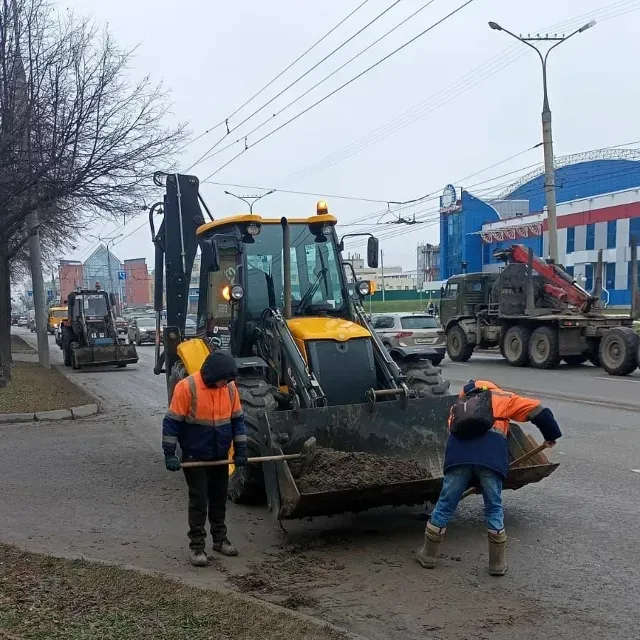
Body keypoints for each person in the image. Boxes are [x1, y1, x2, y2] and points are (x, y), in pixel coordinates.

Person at [416, 379, 562, 576]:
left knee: (445, 505)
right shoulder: (503, 398)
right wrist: (551, 434)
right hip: (490, 461)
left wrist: (470, 477)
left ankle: (428, 556)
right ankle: (497, 564)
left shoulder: (458, 406)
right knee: (493, 508)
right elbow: (538, 410)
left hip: (458, 460)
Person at [162, 351, 247, 567]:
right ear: (212, 375)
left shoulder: (229, 389)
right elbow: (171, 423)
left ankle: (220, 540)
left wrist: (240, 451)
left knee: (219, 499)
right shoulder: (187, 387)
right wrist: (170, 454)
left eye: (228, 380)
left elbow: (237, 421)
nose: (225, 384)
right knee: (199, 501)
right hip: (195, 457)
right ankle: (197, 546)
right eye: (223, 379)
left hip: (219, 455)